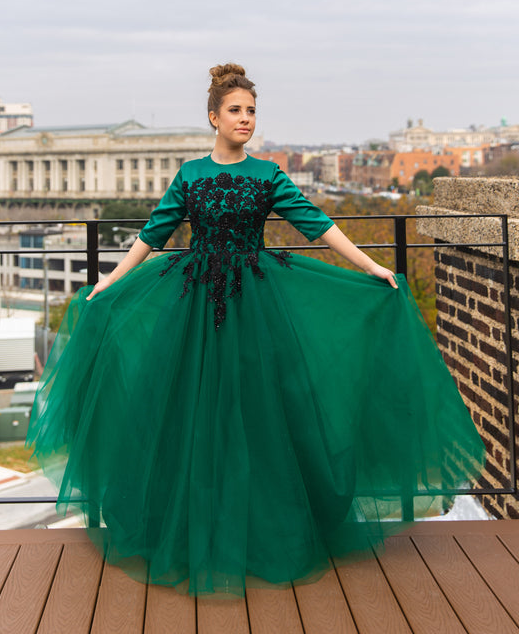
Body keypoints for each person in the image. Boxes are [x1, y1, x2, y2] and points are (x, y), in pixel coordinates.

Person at [26, 63, 485, 598]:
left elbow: (319, 224)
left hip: (256, 305)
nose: (245, 119)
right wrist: (111, 279)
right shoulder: (191, 175)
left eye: (251, 112)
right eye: (236, 111)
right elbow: (154, 233)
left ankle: (264, 531)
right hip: (193, 309)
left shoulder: (268, 175)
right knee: (190, 414)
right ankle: (193, 528)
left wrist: (372, 268)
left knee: (264, 414)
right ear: (213, 117)